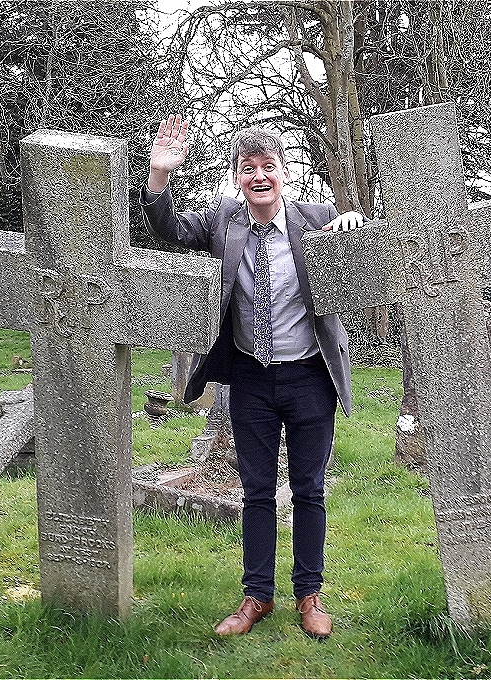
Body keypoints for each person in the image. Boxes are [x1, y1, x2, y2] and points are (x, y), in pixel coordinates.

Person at [141, 114, 361, 639]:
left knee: (308, 489)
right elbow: (169, 229)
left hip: (309, 376)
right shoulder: (224, 220)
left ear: (284, 172)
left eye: (268, 166)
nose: (259, 176)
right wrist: (159, 174)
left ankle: (309, 595)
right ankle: (257, 595)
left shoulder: (319, 218)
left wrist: (355, 226)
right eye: (247, 167)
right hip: (250, 378)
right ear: (237, 177)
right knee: (257, 491)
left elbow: (363, 255)